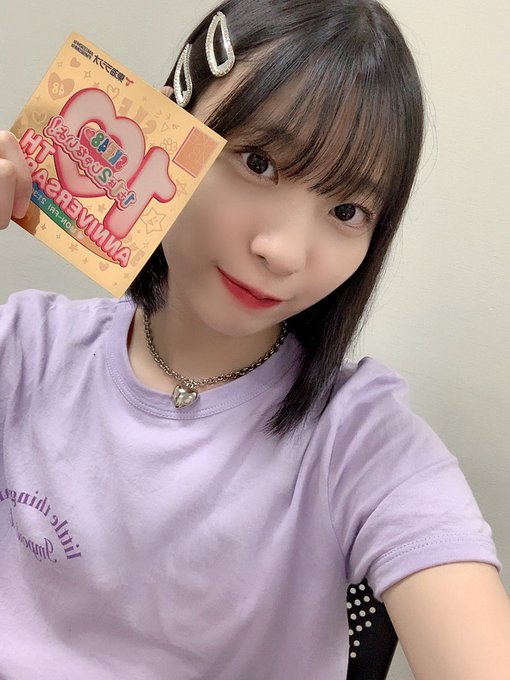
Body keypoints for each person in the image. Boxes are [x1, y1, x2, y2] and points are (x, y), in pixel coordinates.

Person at [1, 1, 509, 678]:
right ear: (167, 123)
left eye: (347, 210)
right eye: (259, 162)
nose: (283, 251)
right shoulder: (24, 349)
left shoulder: (360, 443)